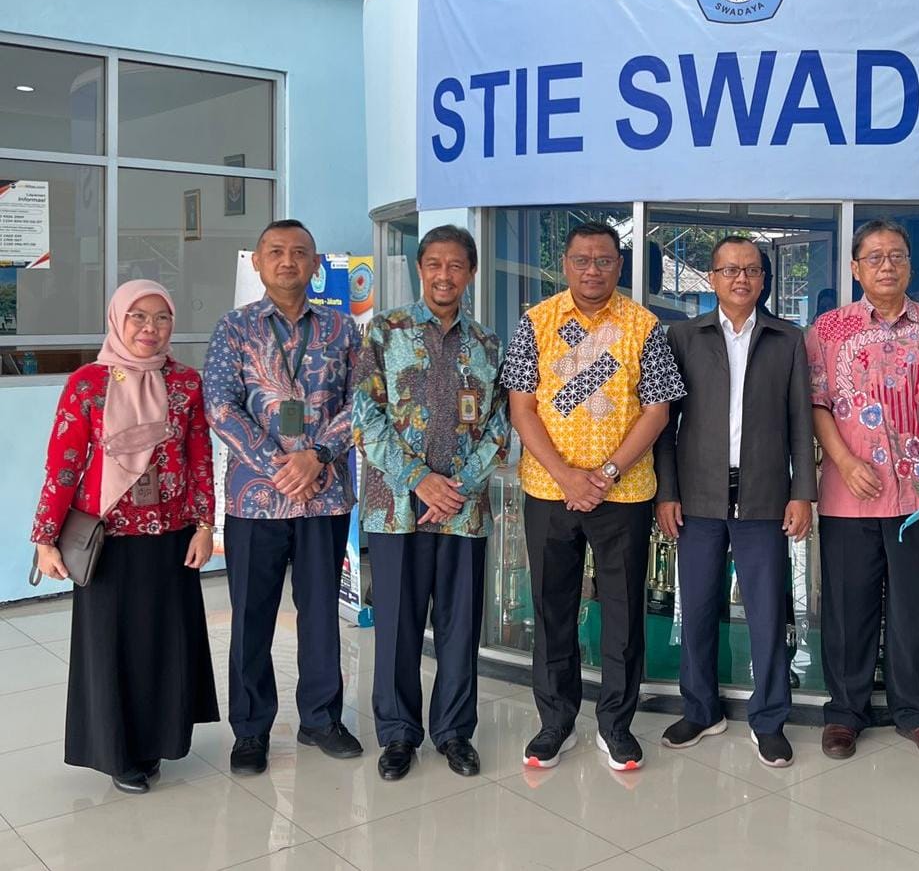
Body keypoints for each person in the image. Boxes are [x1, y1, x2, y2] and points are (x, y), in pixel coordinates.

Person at [501, 220, 685, 771]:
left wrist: (603, 473)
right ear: (565, 264)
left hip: (622, 493)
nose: (592, 270)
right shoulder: (536, 322)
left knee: (622, 613)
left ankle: (615, 725)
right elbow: (521, 409)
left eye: (604, 260)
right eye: (581, 260)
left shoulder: (644, 326)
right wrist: (565, 476)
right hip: (549, 491)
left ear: (619, 266)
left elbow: (658, 411)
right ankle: (555, 722)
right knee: (551, 607)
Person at [31, 280, 219, 793]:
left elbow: (200, 458)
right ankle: (118, 752)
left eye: (161, 318)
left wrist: (205, 526)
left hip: (172, 536)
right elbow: (64, 463)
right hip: (106, 540)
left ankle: (157, 741)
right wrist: (45, 538)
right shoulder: (88, 384)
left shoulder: (186, 383)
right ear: (118, 320)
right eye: (138, 316)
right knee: (111, 647)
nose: (149, 328)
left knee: (163, 644)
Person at [806, 219, 919, 761]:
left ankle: (918, 714)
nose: (886, 265)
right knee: (847, 609)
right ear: (855, 268)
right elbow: (816, 405)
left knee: (916, 607)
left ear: (910, 265)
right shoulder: (828, 330)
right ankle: (845, 714)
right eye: (875, 257)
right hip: (849, 495)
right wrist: (844, 461)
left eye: (896, 256)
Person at [203, 219, 362, 775]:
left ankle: (321, 719)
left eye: (299, 253)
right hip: (255, 499)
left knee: (320, 613)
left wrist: (316, 456)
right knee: (252, 616)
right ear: (258, 262)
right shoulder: (235, 328)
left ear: (315, 264)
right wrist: (279, 465)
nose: (287, 261)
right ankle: (250, 731)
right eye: (276, 251)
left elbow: (363, 401)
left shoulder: (343, 329)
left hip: (324, 496)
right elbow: (220, 405)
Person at [353, 225, 509, 782]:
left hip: (463, 512)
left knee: (459, 628)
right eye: (435, 264)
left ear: (470, 273)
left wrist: (456, 486)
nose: (445, 275)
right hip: (396, 508)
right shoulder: (384, 331)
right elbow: (365, 418)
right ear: (421, 269)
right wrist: (419, 480)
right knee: (396, 626)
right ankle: (398, 734)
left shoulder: (489, 344)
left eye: (456, 265)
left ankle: (454, 732)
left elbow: (500, 427)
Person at [654, 236, 817, 767]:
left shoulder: (787, 339)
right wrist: (667, 492)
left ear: (763, 279)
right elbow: (665, 425)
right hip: (697, 499)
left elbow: (801, 422)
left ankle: (768, 719)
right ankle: (701, 710)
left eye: (750, 270)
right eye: (729, 270)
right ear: (713, 277)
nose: (740, 278)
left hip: (764, 498)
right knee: (697, 609)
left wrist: (802, 493)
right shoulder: (683, 336)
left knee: (768, 614)